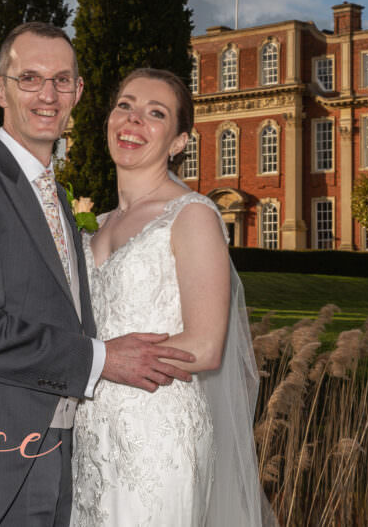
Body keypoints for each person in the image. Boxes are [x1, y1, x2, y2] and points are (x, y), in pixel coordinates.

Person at [0, 24, 196, 526]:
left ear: (78, 92)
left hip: (68, 458)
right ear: (0, 89)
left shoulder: (61, 200)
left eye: (62, 80)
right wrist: (104, 359)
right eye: (30, 78)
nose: (48, 94)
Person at [71, 68, 273, 526]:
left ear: (179, 142)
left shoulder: (192, 215)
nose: (133, 119)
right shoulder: (90, 225)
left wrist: (101, 359)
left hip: (157, 433)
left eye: (154, 113)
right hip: (88, 434)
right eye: (125, 105)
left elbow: (205, 347)